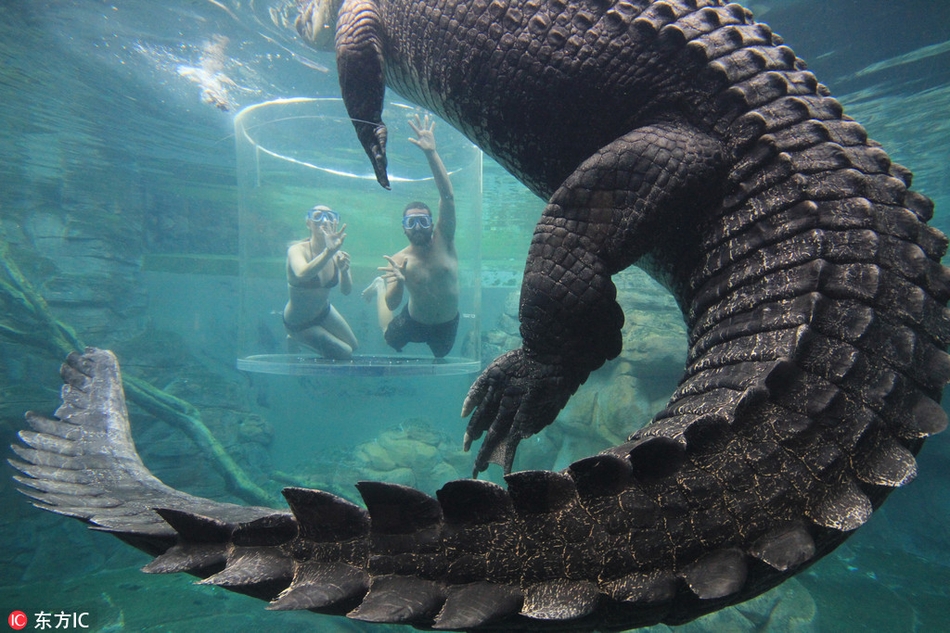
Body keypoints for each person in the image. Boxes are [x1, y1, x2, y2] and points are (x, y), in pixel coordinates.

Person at [362, 114, 459, 358]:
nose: (417, 227)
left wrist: (431, 153)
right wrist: (399, 283)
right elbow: (393, 304)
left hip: (447, 323)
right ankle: (378, 286)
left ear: (432, 224)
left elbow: (448, 197)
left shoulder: (444, 239)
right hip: (413, 320)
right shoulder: (399, 260)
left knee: (442, 355)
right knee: (388, 338)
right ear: (404, 228)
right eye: (411, 222)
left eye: (423, 221)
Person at [283, 205, 358, 359]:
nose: (324, 221)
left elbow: (346, 291)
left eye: (330, 217)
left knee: (354, 346)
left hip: (324, 312)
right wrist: (328, 252)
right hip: (299, 323)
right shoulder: (297, 250)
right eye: (317, 216)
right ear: (308, 223)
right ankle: (295, 337)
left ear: (335, 222)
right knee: (345, 352)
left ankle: (305, 339)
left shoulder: (338, 254)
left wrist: (344, 271)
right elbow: (302, 273)